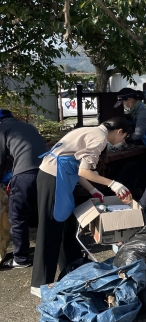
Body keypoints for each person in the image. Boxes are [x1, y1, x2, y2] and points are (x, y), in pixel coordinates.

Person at [31, 117, 133, 297]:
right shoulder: (99, 138)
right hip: (53, 178)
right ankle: (40, 284)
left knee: (67, 226)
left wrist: (93, 190)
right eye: (124, 137)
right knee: (50, 228)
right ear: (119, 131)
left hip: (59, 178)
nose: (121, 142)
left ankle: (72, 269)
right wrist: (113, 184)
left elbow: (76, 168)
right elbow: (83, 171)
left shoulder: (91, 131)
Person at [0, 110, 47, 268]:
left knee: (17, 217)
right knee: (42, 213)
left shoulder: (2, 129)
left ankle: (20, 259)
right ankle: (45, 249)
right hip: (47, 173)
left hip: (25, 175)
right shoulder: (28, 127)